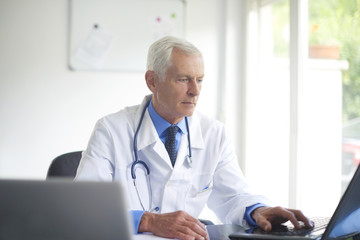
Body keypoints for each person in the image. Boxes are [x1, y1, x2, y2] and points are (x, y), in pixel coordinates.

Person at [75, 36, 313, 240]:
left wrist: (257, 210)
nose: (195, 91)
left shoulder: (213, 133)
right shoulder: (111, 130)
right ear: (152, 81)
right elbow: (84, 208)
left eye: (199, 79)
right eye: (183, 79)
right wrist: (147, 221)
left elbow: (234, 195)